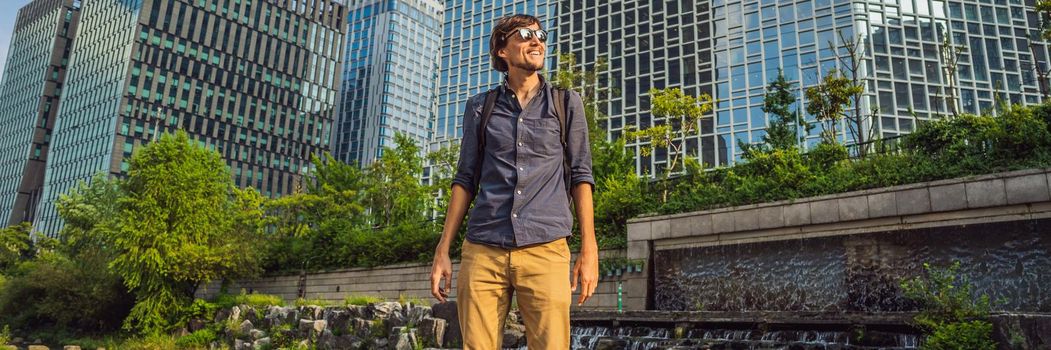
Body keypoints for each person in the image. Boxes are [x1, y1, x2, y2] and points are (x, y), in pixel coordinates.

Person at [429, 14, 599, 350]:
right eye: (525, 35)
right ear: (502, 51)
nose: (537, 41)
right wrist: (443, 250)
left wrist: (589, 249)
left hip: (546, 247)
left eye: (540, 35)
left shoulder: (566, 103)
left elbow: (581, 175)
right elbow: (465, 179)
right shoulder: (480, 107)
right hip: (483, 250)